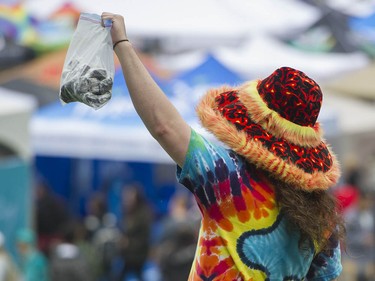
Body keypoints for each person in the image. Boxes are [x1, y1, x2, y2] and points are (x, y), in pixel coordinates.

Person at [101, 12, 345, 281]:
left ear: (254, 122)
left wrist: (122, 44)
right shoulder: (322, 215)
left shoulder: (230, 179)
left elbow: (164, 126)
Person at [117, 183, 152, 281]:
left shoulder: (144, 214)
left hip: (138, 254)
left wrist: (129, 243)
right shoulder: (126, 212)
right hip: (126, 254)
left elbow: (145, 237)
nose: (127, 198)